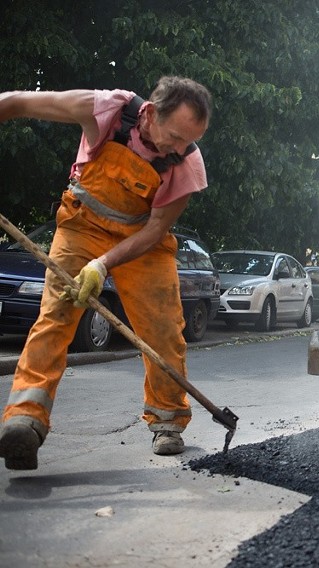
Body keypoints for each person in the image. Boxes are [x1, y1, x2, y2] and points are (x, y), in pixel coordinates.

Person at [0, 76, 212, 469]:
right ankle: (24, 421)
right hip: (81, 226)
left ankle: (167, 421)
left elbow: (155, 230)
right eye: (175, 137)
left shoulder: (187, 163)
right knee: (55, 319)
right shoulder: (105, 111)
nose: (181, 150)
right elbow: (14, 101)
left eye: (190, 141)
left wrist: (102, 265)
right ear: (149, 113)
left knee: (163, 329)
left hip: (141, 241)